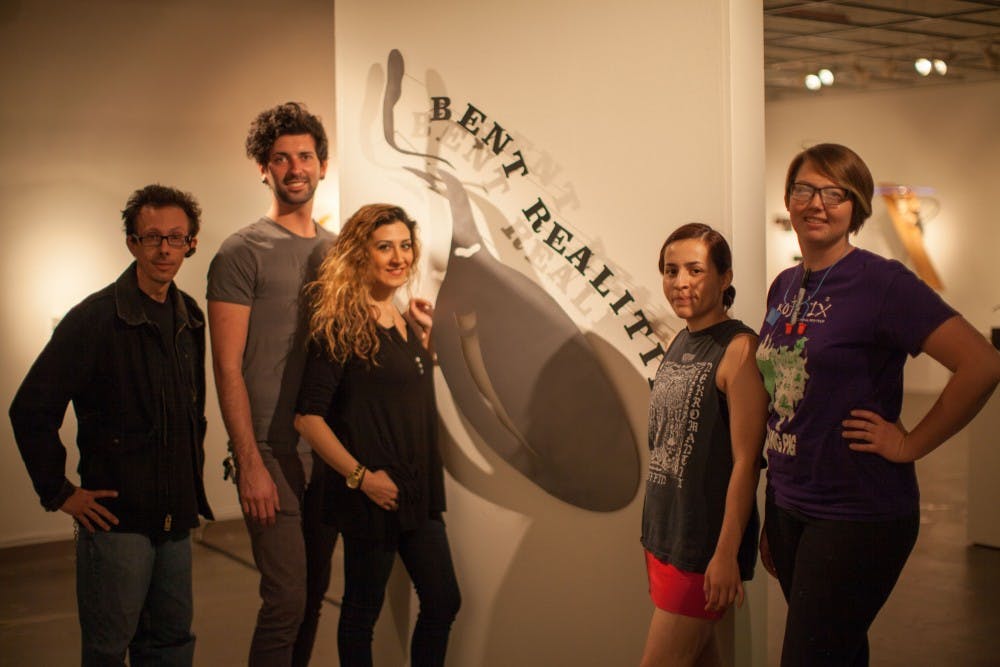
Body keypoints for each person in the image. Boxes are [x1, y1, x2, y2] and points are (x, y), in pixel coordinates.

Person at [756, 143, 1000, 667]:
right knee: (838, 653)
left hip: (856, 512)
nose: (815, 203)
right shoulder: (784, 285)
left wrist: (910, 442)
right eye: (803, 189)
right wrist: (772, 505)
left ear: (856, 206)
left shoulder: (882, 283)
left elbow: (981, 363)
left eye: (833, 192)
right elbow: (781, 398)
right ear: (788, 199)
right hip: (790, 505)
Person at [9, 184, 213, 666]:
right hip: (118, 519)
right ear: (131, 243)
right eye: (152, 237)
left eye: (176, 238)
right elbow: (31, 408)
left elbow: (192, 415)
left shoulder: (191, 318)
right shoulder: (94, 320)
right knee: (107, 649)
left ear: (191, 243)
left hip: (176, 519)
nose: (165, 249)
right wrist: (59, 492)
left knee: (171, 643)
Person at [294, 203, 461, 667]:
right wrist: (362, 477)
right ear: (358, 253)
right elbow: (308, 418)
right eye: (384, 246)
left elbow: (399, 393)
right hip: (371, 493)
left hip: (416, 487)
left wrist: (427, 348)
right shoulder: (340, 324)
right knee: (360, 616)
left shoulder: (404, 319)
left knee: (444, 601)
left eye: (405, 245)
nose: (398, 257)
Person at [206, 101, 341, 666]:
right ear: (263, 168)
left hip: (327, 449)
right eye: (281, 158)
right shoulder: (240, 252)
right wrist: (249, 461)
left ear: (322, 166)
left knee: (310, 601)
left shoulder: (337, 253)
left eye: (305, 156)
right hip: (269, 451)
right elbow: (226, 366)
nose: (294, 168)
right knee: (285, 600)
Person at [639, 223, 768, 667]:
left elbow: (746, 462)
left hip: (702, 551)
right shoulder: (682, 338)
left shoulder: (739, 348)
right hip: (664, 536)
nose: (681, 282)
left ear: (725, 277)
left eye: (695, 270)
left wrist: (726, 554)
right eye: (671, 271)